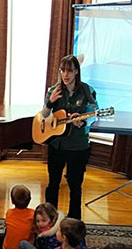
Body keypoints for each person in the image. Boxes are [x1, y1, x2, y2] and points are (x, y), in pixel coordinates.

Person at [42, 55, 98, 219]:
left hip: (78, 146)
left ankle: (74, 221)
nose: (65, 75)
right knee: (53, 184)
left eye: (69, 71)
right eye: (63, 71)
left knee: (75, 186)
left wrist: (84, 121)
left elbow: (95, 114)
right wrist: (50, 103)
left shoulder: (87, 90)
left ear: (76, 72)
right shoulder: (54, 90)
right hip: (57, 145)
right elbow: (44, 116)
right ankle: (50, 219)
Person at [0, 203, 66, 249]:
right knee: (22, 244)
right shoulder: (41, 231)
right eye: (38, 221)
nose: (40, 224)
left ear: (52, 221)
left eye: (44, 220)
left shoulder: (53, 236)